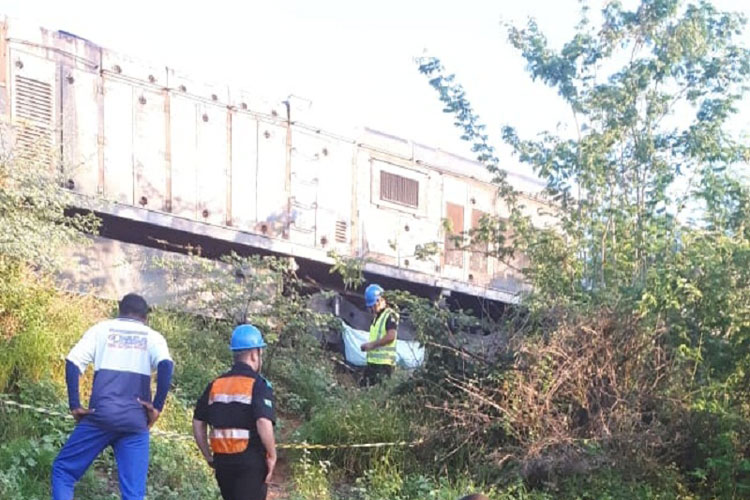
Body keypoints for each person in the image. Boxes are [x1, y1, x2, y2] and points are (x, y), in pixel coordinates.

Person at [51, 293, 174, 500]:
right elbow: (166, 365)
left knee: (64, 471)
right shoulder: (152, 337)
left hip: (101, 416)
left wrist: (75, 404)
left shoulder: (101, 330)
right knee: (133, 494)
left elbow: (72, 362)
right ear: (146, 316)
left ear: (120, 310)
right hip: (135, 421)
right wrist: (157, 407)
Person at [192, 324, 277, 500]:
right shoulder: (259, 384)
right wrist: (272, 455)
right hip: (250, 463)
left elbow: (198, 421)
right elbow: (263, 422)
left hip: (222, 462)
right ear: (255, 353)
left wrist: (208, 455)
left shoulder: (216, 384)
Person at [359, 283, 399, 386]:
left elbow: (391, 336)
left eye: (373, 305)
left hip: (384, 365)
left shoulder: (390, 315)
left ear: (380, 300)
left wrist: (372, 345)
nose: (372, 308)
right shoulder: (377, 317)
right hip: (374, 364)